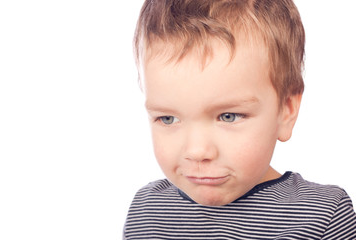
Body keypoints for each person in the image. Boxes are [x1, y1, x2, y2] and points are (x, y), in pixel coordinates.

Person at [123, 0, 356, 238]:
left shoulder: (322, 215)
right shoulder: (146, 211)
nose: (197, 151)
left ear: (286, 110)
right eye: (168, 119)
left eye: (228, 116)